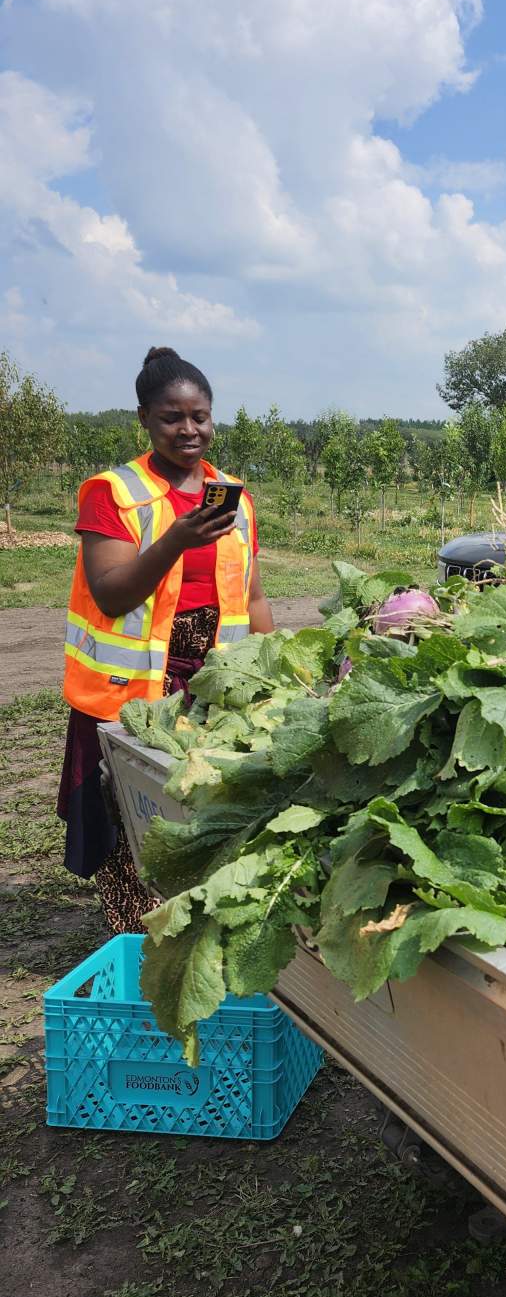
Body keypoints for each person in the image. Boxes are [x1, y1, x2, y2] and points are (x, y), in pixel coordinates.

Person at [57, 347, 273, 933]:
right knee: (133, 809)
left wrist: (279, 671)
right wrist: (176, 538)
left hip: (215, 681)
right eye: (171, 417)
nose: (188, 430)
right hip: (135, 685)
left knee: (208, 808)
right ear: (144, 419)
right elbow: (112, 594)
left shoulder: (234, 496)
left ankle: (200, 927)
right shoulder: (112, 492)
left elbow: (251, 598)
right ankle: (136, 936)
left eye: (199, 416)